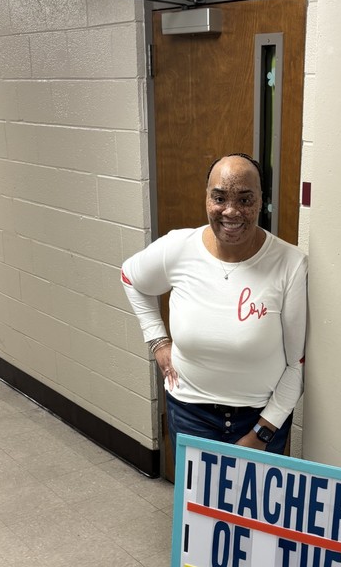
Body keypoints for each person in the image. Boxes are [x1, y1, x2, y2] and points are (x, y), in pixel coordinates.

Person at [121, 153, 307, 455]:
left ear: (262, 200)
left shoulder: (290, 264)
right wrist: (157, 340)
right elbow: (130, 277)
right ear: (207, 198)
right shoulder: (178, 248)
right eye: (219, 198)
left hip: (260, 418)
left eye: (245, 200)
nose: (231, 211)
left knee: (254, 504)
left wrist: (262, 432)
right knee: (195, 503)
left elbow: (295, 366)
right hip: (189, 413)